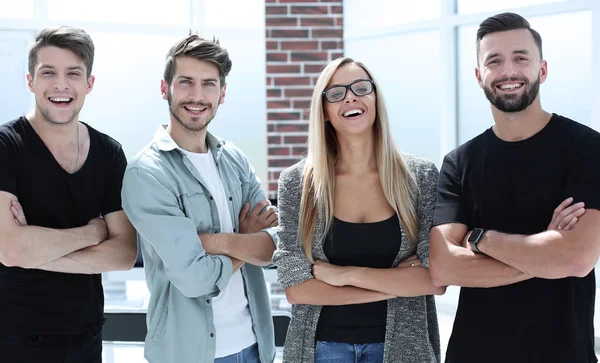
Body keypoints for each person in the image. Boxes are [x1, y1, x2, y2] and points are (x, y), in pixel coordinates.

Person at [430, 12, 600, 363]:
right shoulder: (459, 163)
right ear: (479, 76)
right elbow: (443, 267)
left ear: (543, 69)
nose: (508, 71)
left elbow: (578, 257)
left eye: (521, 58)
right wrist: (547, 254)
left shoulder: (587, 149)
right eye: (494, 61)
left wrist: (480, 239)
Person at [273, 57, 445, 363]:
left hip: (402, 351)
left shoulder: (420, 177)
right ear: (324, 112)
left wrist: (343, 275)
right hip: (321, 350)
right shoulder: (298, 184)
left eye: (361, 88)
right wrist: (393, 285)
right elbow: (297, 289)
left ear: (375, 98)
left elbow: (434, 278)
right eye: (336, 93)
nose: (351, 96)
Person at [121, 34, 278, 363]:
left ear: (222, 94)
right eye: (185, 82)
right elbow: (195, 280)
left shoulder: (234, 159)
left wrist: (210, 242)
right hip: (189, 355)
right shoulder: (146, 173)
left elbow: (274, 246)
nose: (197, 95)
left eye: (208, 84)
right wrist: (245, 239)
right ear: (165, 89)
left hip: (255, 348)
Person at [0, 26, 138, 363]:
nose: (61, 84)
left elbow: (123, 254)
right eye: (48, 72)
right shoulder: (7, 147)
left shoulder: (109, 154)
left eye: (73, 73)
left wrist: (35, 254)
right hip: (13, 339)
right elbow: (10, 247)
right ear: (30, 80)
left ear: (89, 84)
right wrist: (93, 232)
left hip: (86, 339)